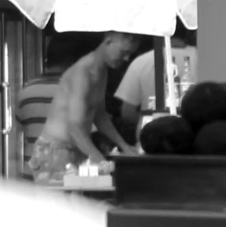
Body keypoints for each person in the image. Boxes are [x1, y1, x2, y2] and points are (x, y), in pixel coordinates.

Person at [26, 30, 152, 182]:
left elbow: (100, 115)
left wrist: (124, 146)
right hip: (55, 151)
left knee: (77, 203)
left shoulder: (101, 70)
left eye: (130, 54)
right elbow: (74, 128)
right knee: (58, 205)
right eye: (124, 52)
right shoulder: (82, 73)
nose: (126, 58)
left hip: (78, 148)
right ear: (108, 42)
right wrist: (99, 158)